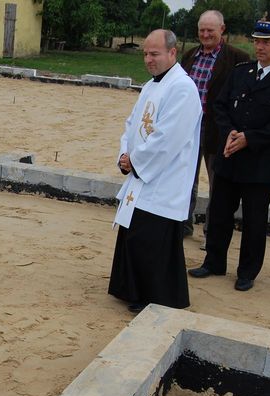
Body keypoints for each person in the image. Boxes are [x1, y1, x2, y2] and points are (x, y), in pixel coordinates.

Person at [188, 15, 270, 292]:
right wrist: (229, 132)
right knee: (219, 212)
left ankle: (247, 271)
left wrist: (250, 139)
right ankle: (214, 260)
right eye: (257, 41)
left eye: (267, 42)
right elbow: (220, 105)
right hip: (230, 154)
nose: (260, 47)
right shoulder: (241, 71)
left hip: (260, 162)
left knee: (254, 219)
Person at [108, 29, 202, 314]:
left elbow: (168, 138)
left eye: (155, 54)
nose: (148, 59)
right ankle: (131, 288)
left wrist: (135, 161)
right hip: (141, 172)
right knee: (134, 233)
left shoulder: (183, 88)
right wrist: (125, 154)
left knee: (151, 238)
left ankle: (153, 294)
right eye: (146, 54)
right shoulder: (151, 85)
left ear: (172, 53)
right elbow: (131, 125)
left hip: (164, 179)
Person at [180, 10, 250, 245]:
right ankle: (182, 224)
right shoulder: (189, 56)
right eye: (202, 30)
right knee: (185, 179)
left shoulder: (238, 58)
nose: (206, 34)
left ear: (222, 29)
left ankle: (212, 233)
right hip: (188, 129)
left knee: (217, 184)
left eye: (211, 29)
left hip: (218, 131)